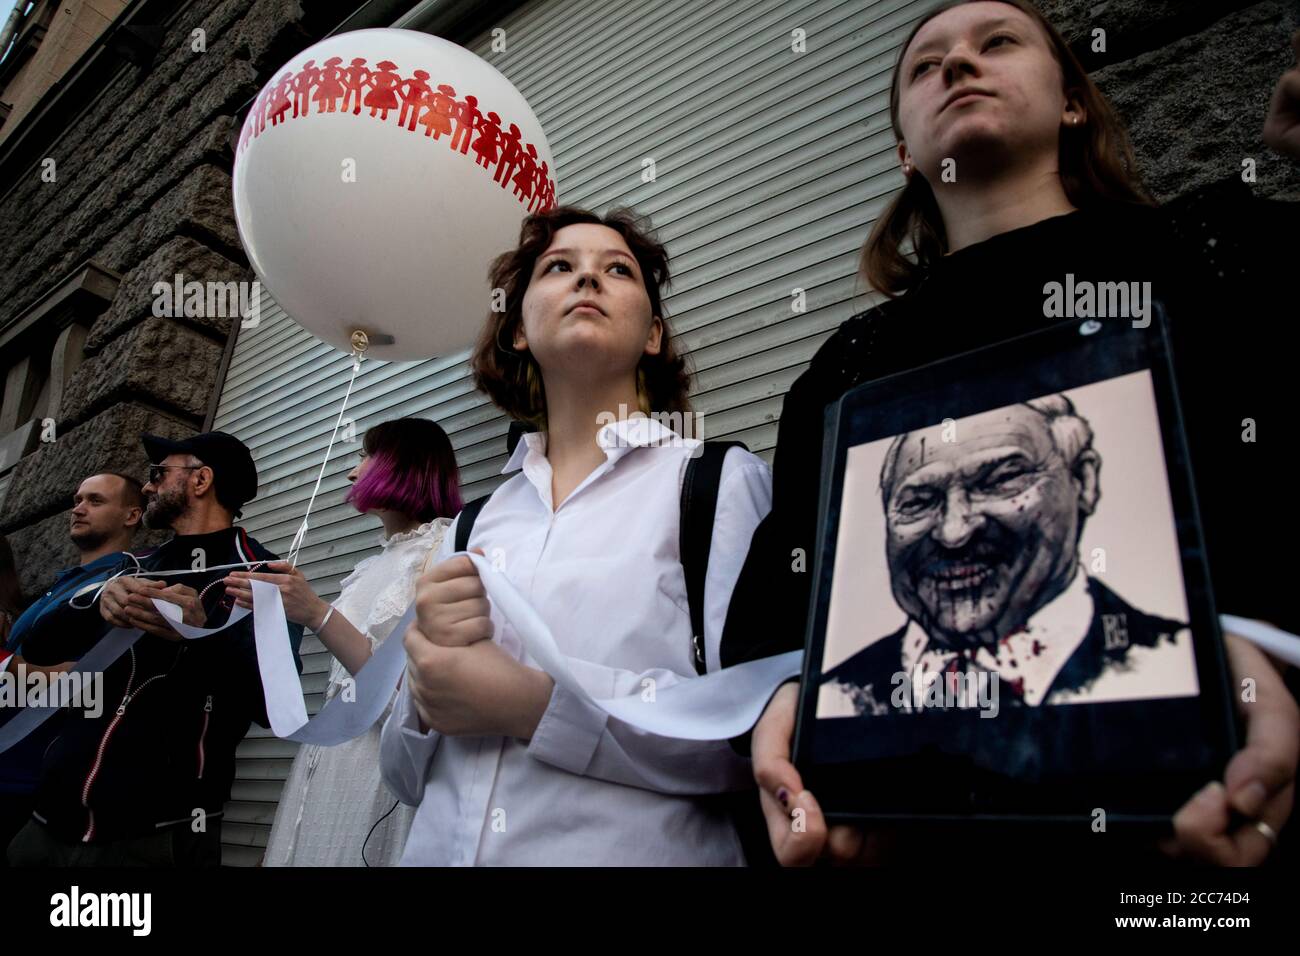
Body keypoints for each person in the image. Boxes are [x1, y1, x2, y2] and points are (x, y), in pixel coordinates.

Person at [722, 0, 1300, 866]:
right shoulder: (847, 365)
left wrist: (1270, 654)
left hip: (1206, 823)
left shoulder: (1220, 254)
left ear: (1073, 102)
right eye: (925, 65)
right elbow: (786, 588)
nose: (958, 65)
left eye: (997, 44)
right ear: (904, 155)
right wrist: (787, 708)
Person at [380, 206, 772, 865]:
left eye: (617, 270)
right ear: (518, 330)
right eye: (559, 267)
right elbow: (401, 778)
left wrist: (534, 707)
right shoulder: (474, 525)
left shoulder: (716, 485)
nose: (587, 278)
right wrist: (422, 696)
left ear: (653, 335)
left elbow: (751, 740)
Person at [6, 431, 304, 866]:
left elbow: (274, 706)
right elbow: (37, 643)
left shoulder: (262, 576)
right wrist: (100, 598)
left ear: (200, 481)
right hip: (47, 822)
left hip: (158, 834)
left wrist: (202, 636)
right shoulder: (131, 565)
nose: (147, 487)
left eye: (159, 474)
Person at [820, 395, 1194, 716]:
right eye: (919, 501)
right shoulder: (834, 697)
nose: (954, 532)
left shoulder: (1170, 660)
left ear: (1083, 480)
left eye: (999, 480)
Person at [224, 417, 461, 866]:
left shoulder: (444, 551)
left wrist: (316, 612)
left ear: (403, 464)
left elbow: (411, 697)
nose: (354, 472)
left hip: (378, 775)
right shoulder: (373, 565)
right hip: (329, 765)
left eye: (366, 456)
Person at [0, 473, 144, 861]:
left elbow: (97, 683)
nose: (78, 509)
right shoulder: (63, 585)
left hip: (32, 780)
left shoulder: (124, 585)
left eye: (95, 501)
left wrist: (7, 666)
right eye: (77, 499)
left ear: (132, 515)